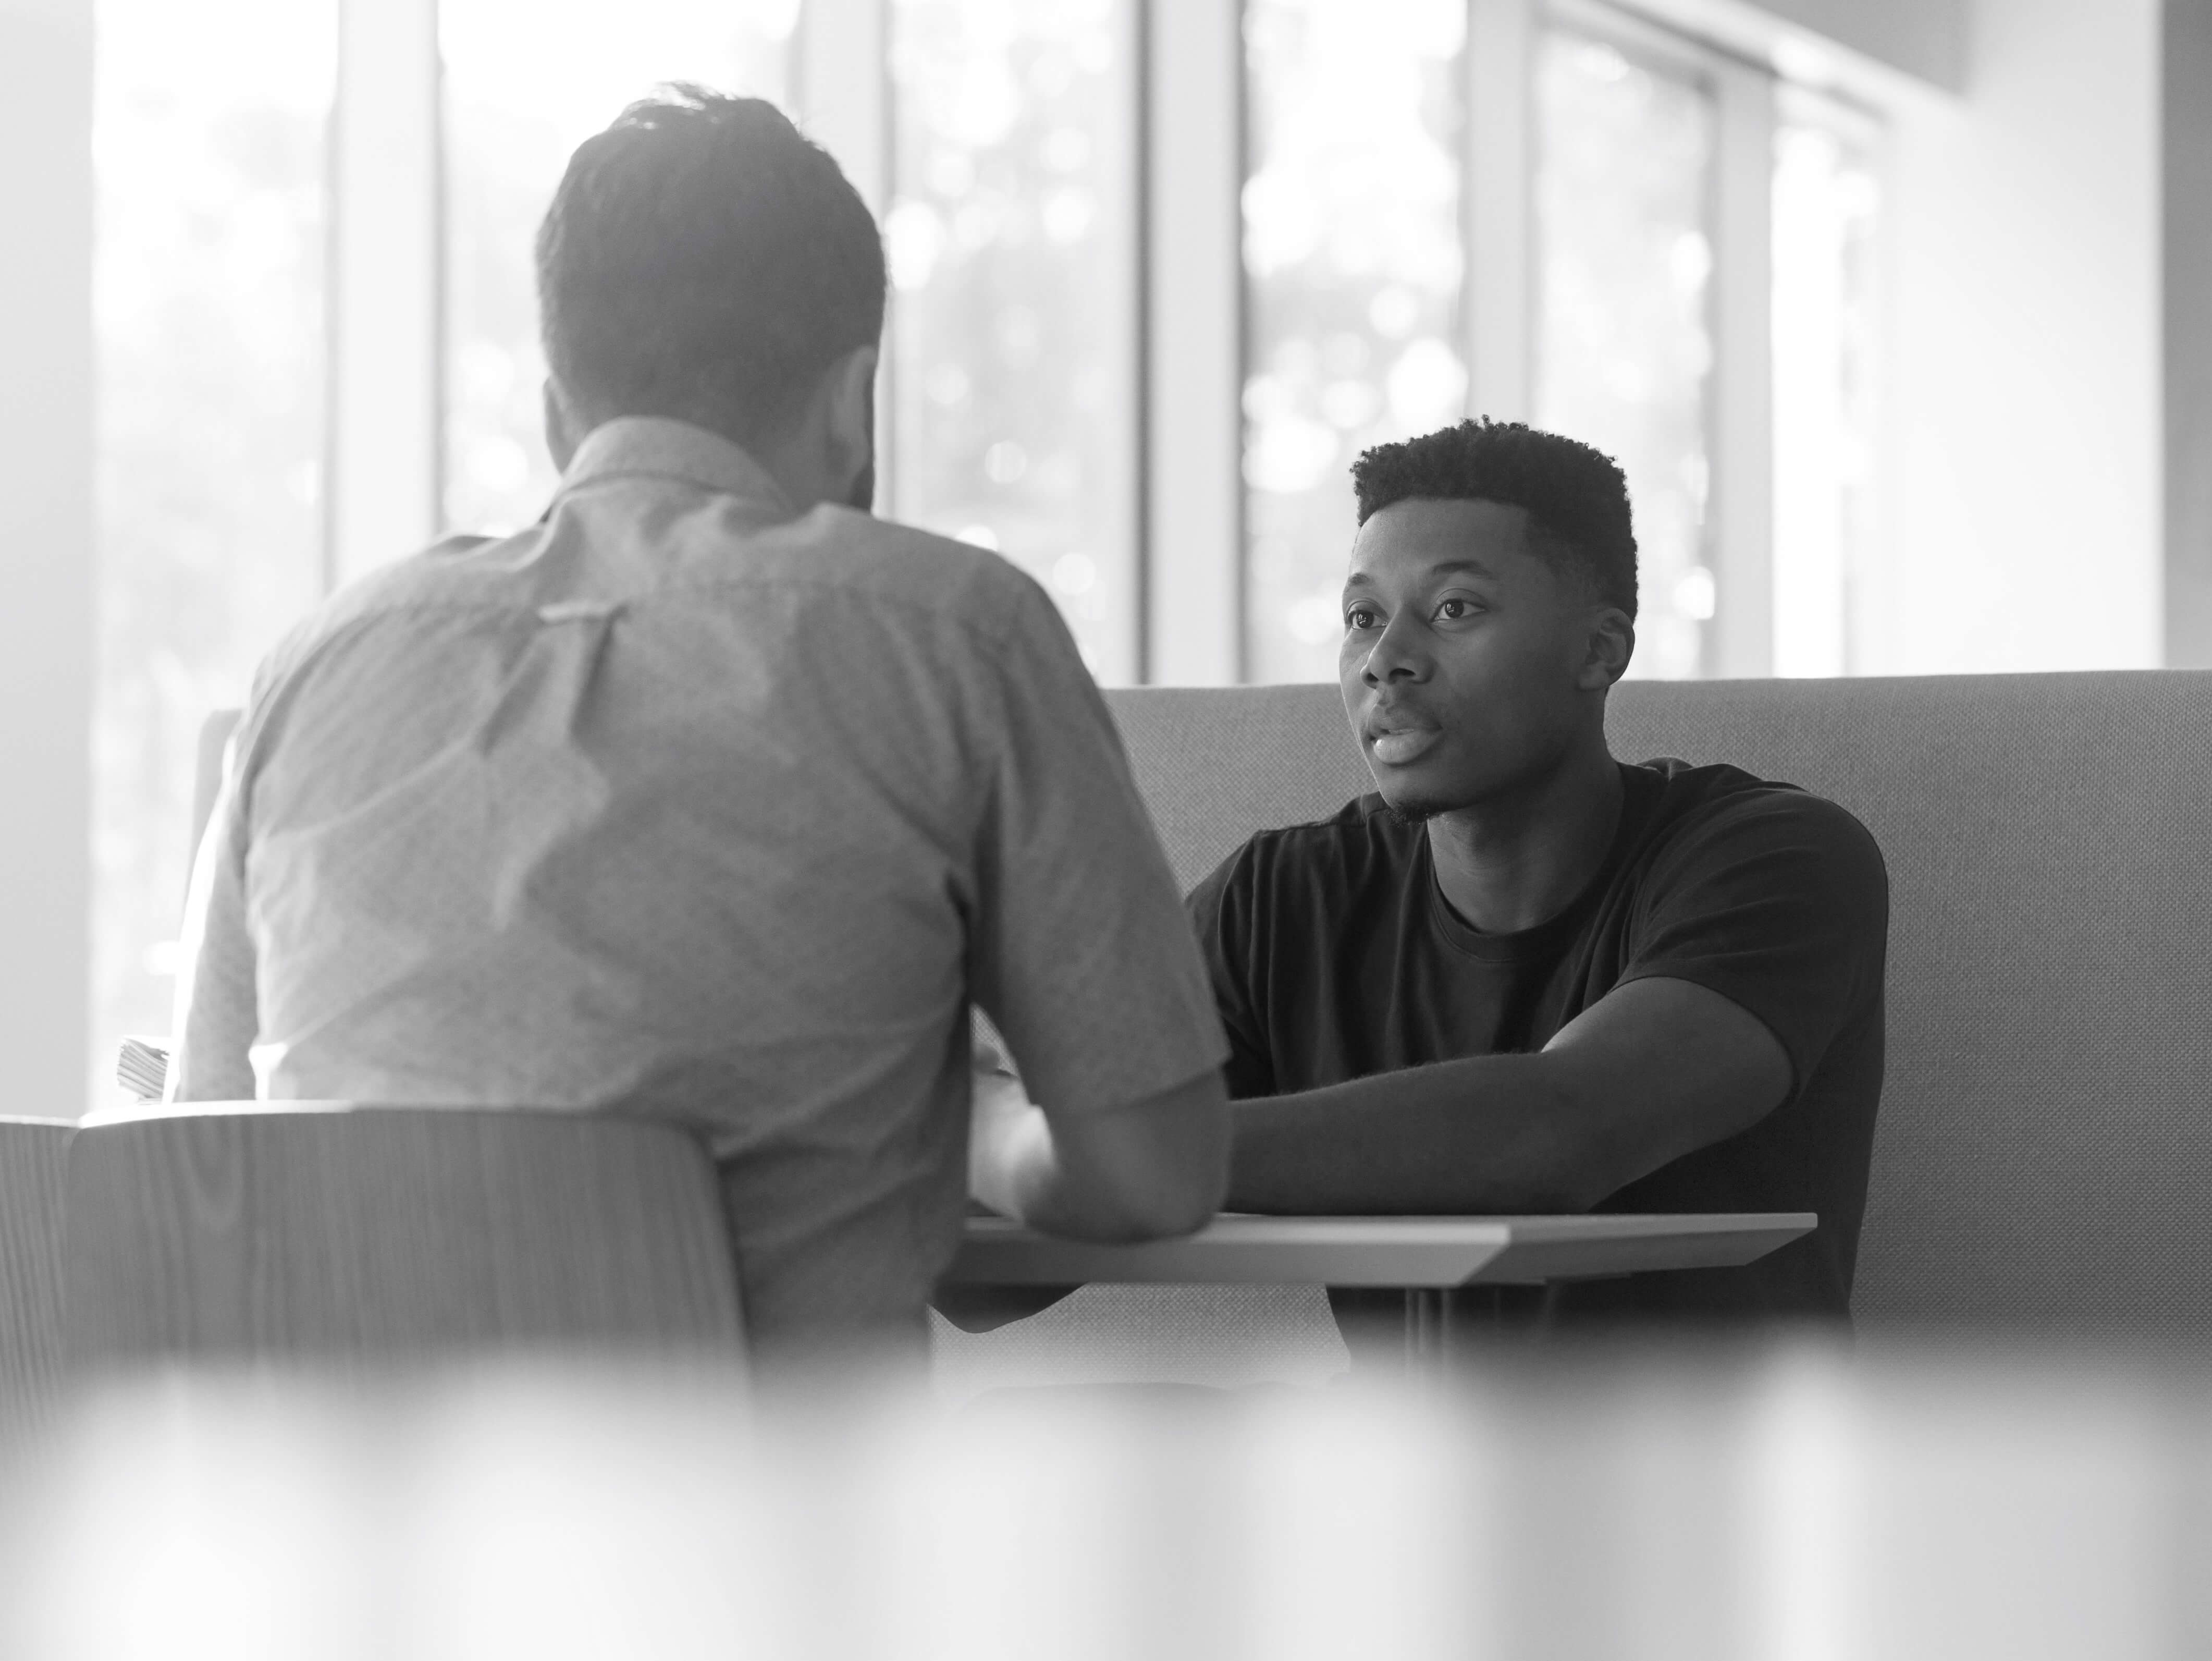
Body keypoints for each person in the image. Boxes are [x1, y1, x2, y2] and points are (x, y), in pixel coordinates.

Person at [166, 87, 1230, 1375]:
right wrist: (978, 1124)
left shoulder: (317, 663)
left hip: (344, 1539)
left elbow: (203, 1154)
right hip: (773, 1544)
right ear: (854, 404)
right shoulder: (958, 633)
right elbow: (1151, 1174)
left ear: (561, 412)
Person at [1189, 418, 1888, 1327]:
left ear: (1599, 650)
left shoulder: (1780, 859)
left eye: (1453, 610)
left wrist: (1107, 1151)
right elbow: (989, 1283)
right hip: (1405, 1461)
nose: (1383, 659)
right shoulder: (1279, 899)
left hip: (1712, 1462)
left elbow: (1558, 1132)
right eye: (1363, 616)